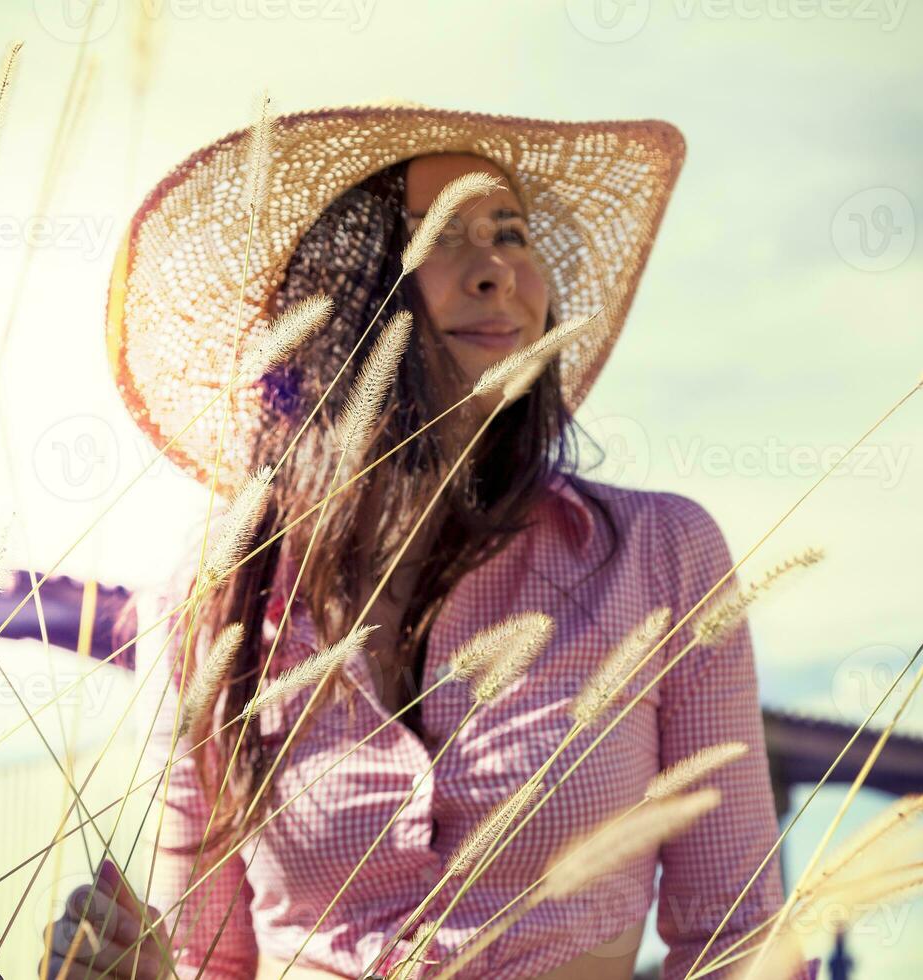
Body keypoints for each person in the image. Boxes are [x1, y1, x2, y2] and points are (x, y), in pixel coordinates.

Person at [46, 102, 817, 980]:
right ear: (346, 295)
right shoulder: (213, 600)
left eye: (512, 232)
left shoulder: (661, 556)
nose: (497, 271)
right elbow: (206, 960)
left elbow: (739, 936)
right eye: (442, 237)